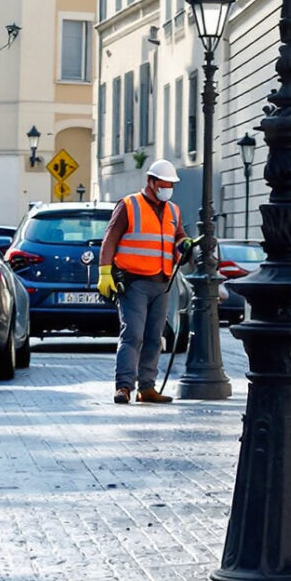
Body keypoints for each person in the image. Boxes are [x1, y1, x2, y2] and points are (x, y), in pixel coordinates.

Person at [99, 161, 188, 405]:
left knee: (154, 337)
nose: (168, 189)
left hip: (161, 282)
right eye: (164, 184)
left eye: (171, 185)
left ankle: (147, 388)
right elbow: (110, 239)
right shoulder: (129, 205)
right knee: (133, 335)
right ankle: (124, 386)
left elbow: (178, 237)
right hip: (134, 281)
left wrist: (185, 244)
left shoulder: (174, 211)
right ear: (151, 181)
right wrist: (104, 272)